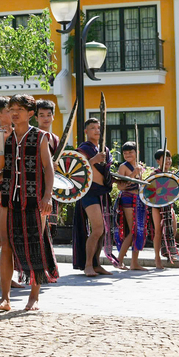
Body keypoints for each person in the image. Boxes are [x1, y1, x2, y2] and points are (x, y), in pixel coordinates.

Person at [0, 95, 57, 312]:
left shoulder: (40, 137)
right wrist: (1, 140)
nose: (14, 112)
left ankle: (34, 297)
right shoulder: (7, 137)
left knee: (35, 245)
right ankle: (5, 298)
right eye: (11, 108)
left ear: (30, 113)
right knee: (6, 245)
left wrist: (47, 196)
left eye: (19, 109)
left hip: (34, 200)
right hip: (10, 199)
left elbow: (49, 169)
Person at [0, 96, 22, 312]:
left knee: (12, 237)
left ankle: (7, 277)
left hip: (19, 190)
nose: (11, 115)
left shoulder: (22, 134)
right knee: (1, 236)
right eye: (7, 111)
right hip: (0, 188)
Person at [72, 118, 114, 277]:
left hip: (103, 192)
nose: (96, 130)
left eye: (98, 128)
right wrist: (92, 160)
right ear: (86, 131)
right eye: (92, 128)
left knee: (102, 232)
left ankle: (96, 264)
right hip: (89, 193)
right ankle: (87, 265)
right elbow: (76, 169)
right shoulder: (83, 149)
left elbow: (106, 173)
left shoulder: (105, 149)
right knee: (97, 228)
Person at [114, 142, 148, 271]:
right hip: (128, 198)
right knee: (132, 230)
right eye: (125, 153)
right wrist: (134, 173)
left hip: (139, 199)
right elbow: (121, 185)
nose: (128, 155)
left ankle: (134, 263)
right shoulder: (123, 167)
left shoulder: (139, 167)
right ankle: (119, 260)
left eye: (130, 152)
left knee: (139, 231)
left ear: (136, 152)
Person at [151, 148, 179, 268]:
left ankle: (168, 251)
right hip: (157, 206)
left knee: (173, 229)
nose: (168, 160)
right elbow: (150, 191)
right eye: (165, 158)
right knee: (158, 231)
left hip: (169, 206)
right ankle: (157, 258)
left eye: (169, 158)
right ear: (158, 161)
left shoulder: (172, 175)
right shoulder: (154, 174)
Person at [36, 100, 60, 236]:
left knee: (49, 230)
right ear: (36, 117)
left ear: (53, 116)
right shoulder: (33, 136)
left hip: (51, 186)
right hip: (37, 185)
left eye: (48, 115)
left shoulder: (55, 139)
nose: (45, 118)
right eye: (41, 115)